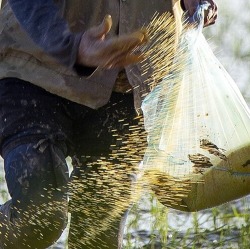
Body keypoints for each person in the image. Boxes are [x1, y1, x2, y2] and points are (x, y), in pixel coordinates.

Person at [0, 0, 217, 248]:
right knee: (38, 216)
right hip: (35, 71)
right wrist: (70, 46)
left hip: (130, 82)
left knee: (97, 239)